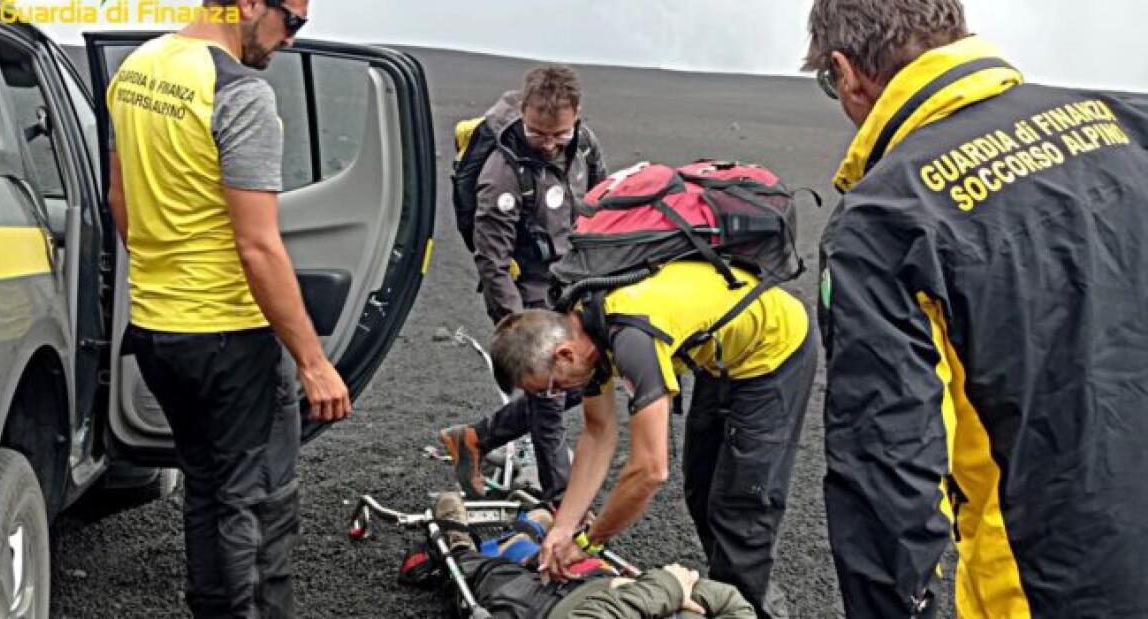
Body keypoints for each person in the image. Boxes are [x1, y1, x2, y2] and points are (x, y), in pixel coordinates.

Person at [806, 0, 1148, 616]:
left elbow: (888, 471)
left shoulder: (884, 220)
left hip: (1047, 586)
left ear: (847, 73)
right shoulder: (1128, 121)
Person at [106, 1, 350, 616]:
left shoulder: (137, 69)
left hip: (157, 331)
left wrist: (168, 274)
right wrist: (313, 361)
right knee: (260, 504)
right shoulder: (240, 93)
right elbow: (258, 245)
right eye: (292, 21)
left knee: (207, 490)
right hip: (230, 336)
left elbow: (121, 200)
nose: (291, 40)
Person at [488, 260, 816, 619]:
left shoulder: (632, 337)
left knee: (740, 506)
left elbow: (650, 470)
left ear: (564, 354)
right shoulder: (583, 327)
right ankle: (730, 588)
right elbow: (597, 433)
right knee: (701, 489)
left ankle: (749, 607)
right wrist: (563, 527)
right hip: (721, 352)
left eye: (551, 387)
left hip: (775, 346)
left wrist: (588, 541)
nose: (557, 395)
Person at [441, 65, 607, 504]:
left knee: (590, 374)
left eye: (559, 135)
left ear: (577, 115)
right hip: (526, 289)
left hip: (573, 283)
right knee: (549, 389)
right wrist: (519, 330)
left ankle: (474, 439)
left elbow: (602, 208)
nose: (549, 144)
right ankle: (560, 504)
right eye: (537, 134)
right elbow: (491, 261)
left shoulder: (584, 146)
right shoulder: (502, 171)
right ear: (524, 112)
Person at [433, 492, 758, 618]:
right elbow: (733, 602)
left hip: (547, 609)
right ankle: (531, 534)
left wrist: (667, 589)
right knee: (558, 561)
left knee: (484, 576)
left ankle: (459, 543)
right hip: (602, 582)